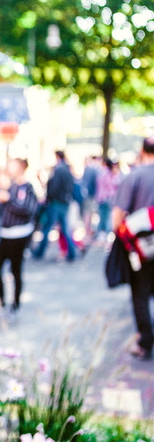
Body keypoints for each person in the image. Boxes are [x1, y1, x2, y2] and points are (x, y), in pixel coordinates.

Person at [112, 135, 154, 360]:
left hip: (142, 249)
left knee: (140, 294)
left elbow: (116, 218)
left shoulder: (134, 177)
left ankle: (145, 341)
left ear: (143, 151)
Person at [0, 159, 39, 317]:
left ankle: (15, 305)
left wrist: (7, 199)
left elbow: (27, 209)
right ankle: (3, 301)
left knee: (15, 270)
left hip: (19, 235)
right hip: (5, 233)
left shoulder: (27, 187)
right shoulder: (10, 186)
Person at [32, 150, 77, 261]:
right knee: (64, 229)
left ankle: (39, 252)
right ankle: (71, 253)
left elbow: (54, 187)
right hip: (64, 202)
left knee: (48, 228)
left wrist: (49, 198)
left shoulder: (59, 169)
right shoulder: (67, 168)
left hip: (56, 203)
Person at [95, 157, 121, 242]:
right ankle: (106, 233)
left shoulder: (103, 173)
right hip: (109, 197)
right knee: (107, 216)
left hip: (103, 197)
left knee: (103, 216)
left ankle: (103, 233)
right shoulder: (111, 174)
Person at [81, 156, 100, 237]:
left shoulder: (87, 169)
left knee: (88, 213)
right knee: (90, 213)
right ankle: (88, 230)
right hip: (91, 195)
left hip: (87, 194)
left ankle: (87, 229)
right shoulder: (94, 170)